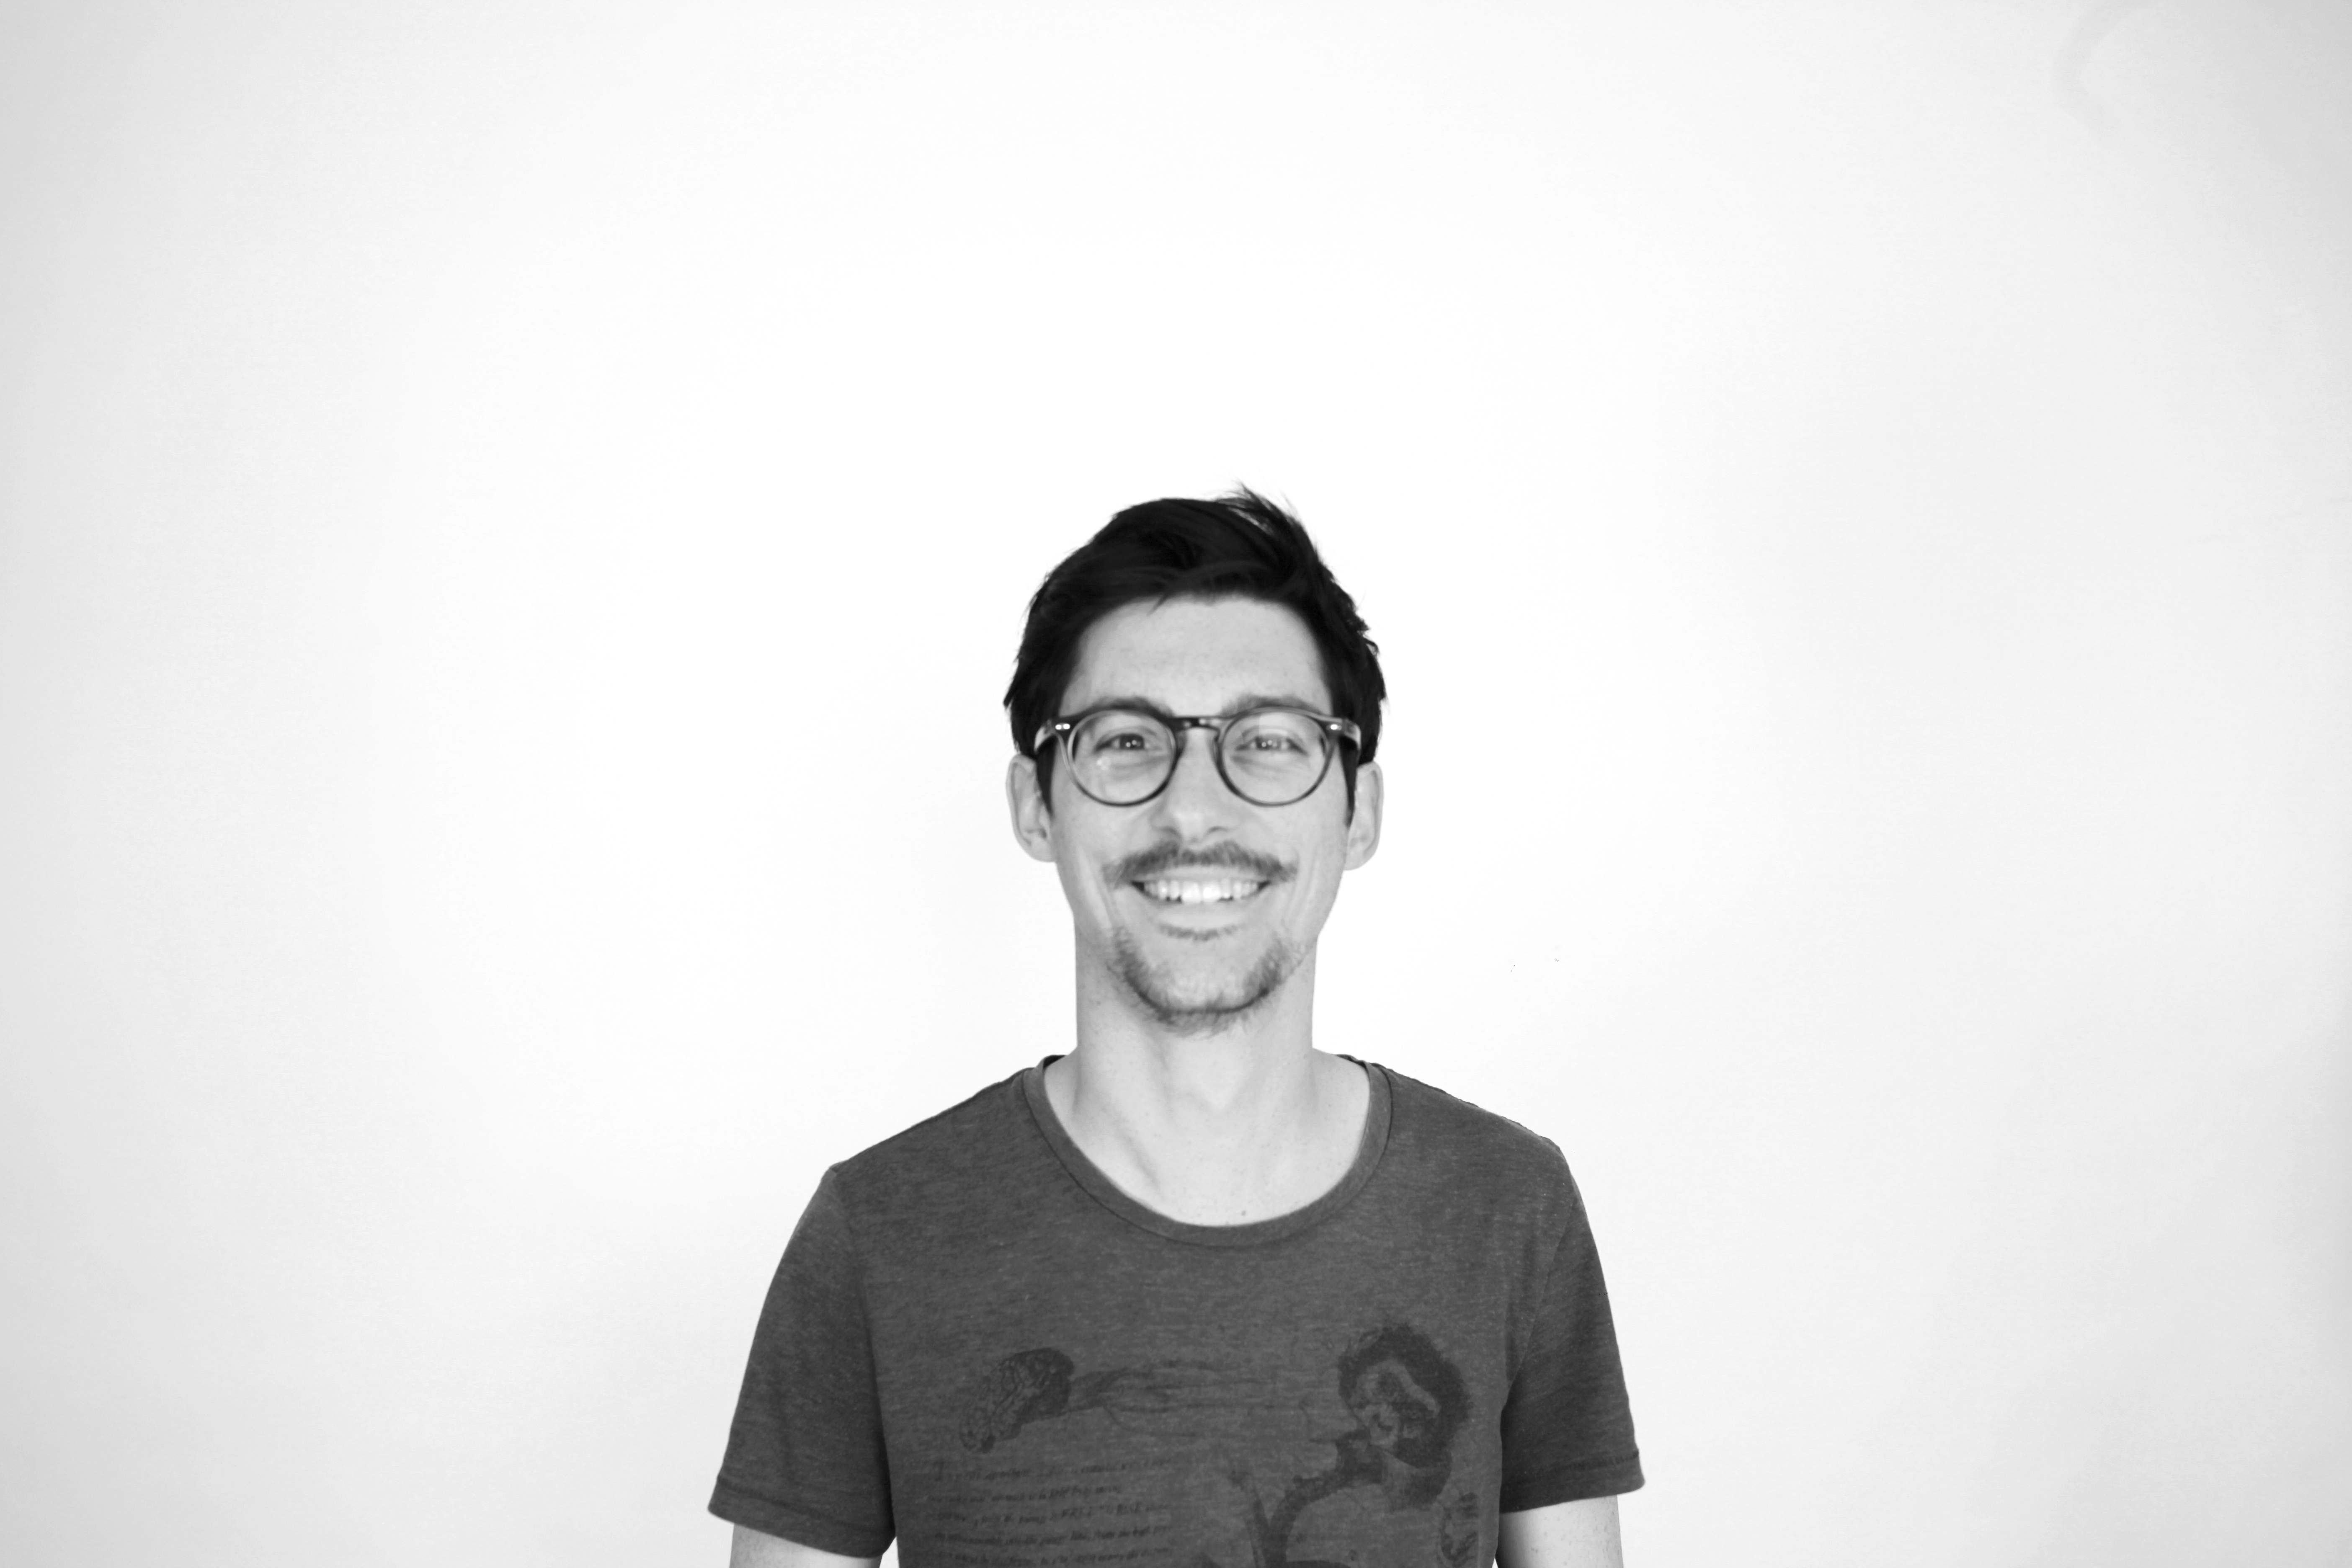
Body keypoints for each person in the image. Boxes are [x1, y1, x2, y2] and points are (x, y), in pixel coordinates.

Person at [712, 491, 1643, 1568]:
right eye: (1126, 741)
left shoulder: (1509, 1207)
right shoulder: (877, 1235)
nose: (1194, 809)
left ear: (1360, 812)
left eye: (1269, 741)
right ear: (1035, 805)